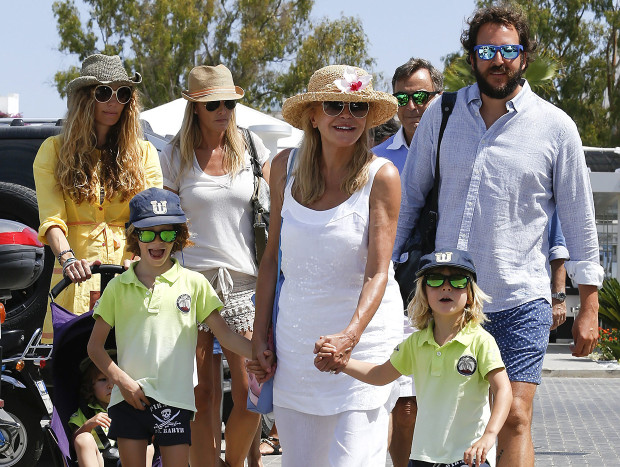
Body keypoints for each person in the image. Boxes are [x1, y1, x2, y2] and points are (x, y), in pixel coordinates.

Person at [394, 6, 604, 466]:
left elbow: (580, 219)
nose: (498, 60)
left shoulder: (556, 127)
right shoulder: (441, 116)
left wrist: (587, 303)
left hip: (519, 298)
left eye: (509, 50)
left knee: (514, 417)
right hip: (449, 296)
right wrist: (388, 275)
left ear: (524, 57)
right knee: (447, 416)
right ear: (472, 57)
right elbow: (410, 200)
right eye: (487, 50)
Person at [250, 64, 402, 466]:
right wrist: (258, 337)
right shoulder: (283, 168)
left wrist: (349, 338)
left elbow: (378, 272)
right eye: (334, 105)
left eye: (357, 107)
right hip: (296, 345)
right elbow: (270, 262)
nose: (346, 115)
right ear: (313, 116)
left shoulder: (382, 176)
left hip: (362, 345)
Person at [87, 188, 268, 467]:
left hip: (176, 403)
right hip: (128, 399)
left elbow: (226, 337)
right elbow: (94, 347)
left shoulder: (194, 283)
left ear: (179, 236)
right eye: (148, 233)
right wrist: (123, 383)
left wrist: (260, 353)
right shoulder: (117, 287)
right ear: (135, 237)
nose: (157, 241)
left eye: (167, 233)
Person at [159, 64, 271, 467]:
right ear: (195, 108)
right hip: (191, 282)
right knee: (200, 395)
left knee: (251, 394)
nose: (223, 110)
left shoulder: (254, 148)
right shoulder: (174, 156)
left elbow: (272, 215)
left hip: (243, 282)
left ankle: (232, 462)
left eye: (228, 102)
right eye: (213, 104)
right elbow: (166, 225)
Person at [319, 248, 512, 467]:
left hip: (468, 457)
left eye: (458, 280)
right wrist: (342, 363)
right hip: (422, 457)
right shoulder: (415, 342)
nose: (446, 286)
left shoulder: (481, 341)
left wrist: (489, 435)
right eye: (435, 280)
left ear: (470, 293)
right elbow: (380, 375)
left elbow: (503, 390)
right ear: (423, 291)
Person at [33, 53, 163, 343]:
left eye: (123, 93)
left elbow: (152, 219)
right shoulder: (53, 151)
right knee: (77, 378)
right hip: (74, 281)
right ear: (84, 98)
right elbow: (52, 220)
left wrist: (141, 259)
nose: (114, 101)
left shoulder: (144, 154)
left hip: (129, 278)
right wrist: (67, 260)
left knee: (131, 374)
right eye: (104, 92)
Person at [373, 57, 443, 467]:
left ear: (437, 97)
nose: (413, 105)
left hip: (453, 285)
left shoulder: (460, 149)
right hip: (400, 289)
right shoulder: (376, 159)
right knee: (405, 404)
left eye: (422, 95)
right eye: (404, 97)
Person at [373, 58, 443, 173]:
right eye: (401, 98)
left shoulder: (460, 152)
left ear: (440, 98)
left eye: (420, 97)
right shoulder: (374, 160)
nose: (410, 106)